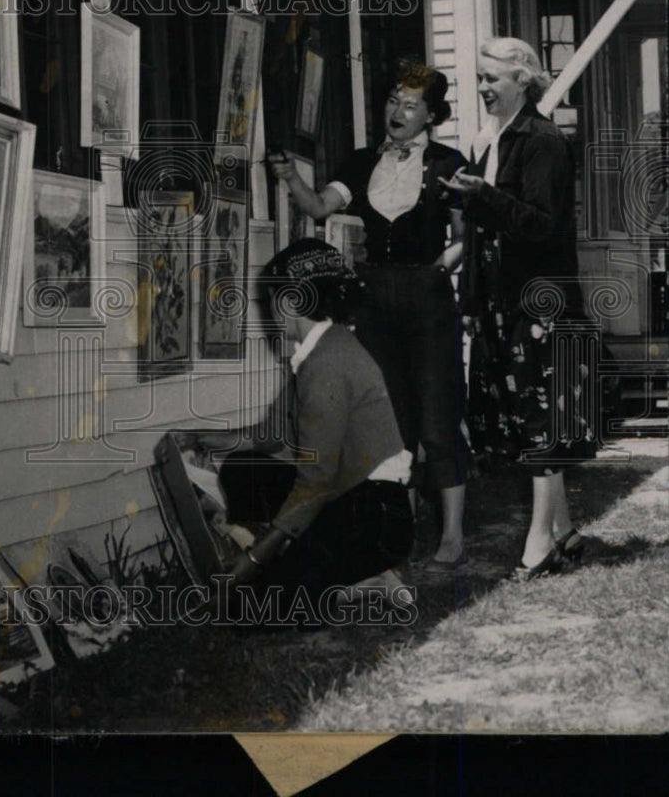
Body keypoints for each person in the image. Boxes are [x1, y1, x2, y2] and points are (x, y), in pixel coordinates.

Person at [271, 64, 472, 568]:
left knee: (437, 414)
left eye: (409, 104)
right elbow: (318, 207)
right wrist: (291, 177)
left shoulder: (449, 161)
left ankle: (452, 535)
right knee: (392, 418)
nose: (396, 113)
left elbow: (465, 236)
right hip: (373, 297)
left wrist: (434, 272)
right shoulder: (361, 162)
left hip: (427, 297)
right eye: (392, 101)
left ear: (431, 114)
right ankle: (399, 528)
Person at [177, 238, 414, 599]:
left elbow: (316, 481)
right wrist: (202, 436)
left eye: (270, 301)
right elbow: (272, 434)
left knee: (253, 608)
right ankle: (329, 573)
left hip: (375, 516)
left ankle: (362, 579)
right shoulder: (324, 347)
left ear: (289, 301)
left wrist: (255, 560)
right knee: (244, 468)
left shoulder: (327, 364)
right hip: (358, 500)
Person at [440, 36, 590, 579]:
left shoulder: (542, 141)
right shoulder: (495, 139)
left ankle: (538, 544)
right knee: (527, 414)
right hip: (504, 301)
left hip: (539, 301)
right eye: (479, 79)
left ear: (522, 80)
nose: (481, 88)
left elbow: (542, 224)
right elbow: (488, 230)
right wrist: (472, 297)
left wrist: (483, 196)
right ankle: (564, 530)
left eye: (491, 79)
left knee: (539, 417)